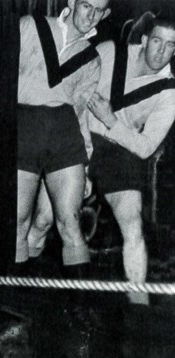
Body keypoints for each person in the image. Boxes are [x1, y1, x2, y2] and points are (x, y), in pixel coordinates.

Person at [14, 0, 111, 279]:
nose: (91, 15)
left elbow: (80, 114)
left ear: (105, 14)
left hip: (63, 134)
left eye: (98, 11)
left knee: (70, 222)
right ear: (72, 3)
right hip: (24, 128)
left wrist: (86, 165)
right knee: (19, 221)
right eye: (86, 6)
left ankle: (80, 312)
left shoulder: (92, 59)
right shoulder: (31, 26)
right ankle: (15, 301)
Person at [85, 14, 175, 302]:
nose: (161, 51)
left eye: (170, 45)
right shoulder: (110, 52)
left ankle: (139, 310)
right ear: (145, 39)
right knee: (42, 220)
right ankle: (16, 291)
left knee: (133, 225)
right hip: (78, 136)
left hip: (120, 150)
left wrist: (112, 121)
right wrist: (82, 150)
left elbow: (147, 147)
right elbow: (73, 96)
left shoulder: (169, 92)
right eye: (157, 41)